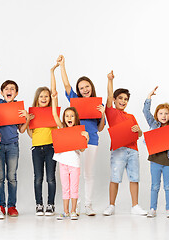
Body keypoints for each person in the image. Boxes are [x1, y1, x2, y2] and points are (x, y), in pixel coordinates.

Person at [0, 54, 31, 216]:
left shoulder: (18, 107)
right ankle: (1, 205)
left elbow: (22, 130)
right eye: (6, 89)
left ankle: (12, 206)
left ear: (16, 93)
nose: (9, 91)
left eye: (12, 89)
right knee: (0, 177)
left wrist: (27, 118)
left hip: (13, 145)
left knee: (12, 177)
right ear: (2, 92)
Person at [58, 55, 106, 216]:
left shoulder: (98, 104)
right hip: (74, 141)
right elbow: (66, 84)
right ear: (78, 91)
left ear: (91, 87)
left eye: (87, 87)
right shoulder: (75, 100)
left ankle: (88, 205)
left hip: (91, 140)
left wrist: (103, 113)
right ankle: (75, 206)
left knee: (88, 174)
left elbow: (100, 128)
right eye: (81, 88)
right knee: (74, 174)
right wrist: (62, 66)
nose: (85, 89)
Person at [103, 71, 147, 216]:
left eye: (126, 99)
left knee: (134, 178)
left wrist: (139, 130)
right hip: (118, 150)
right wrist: (110, 81)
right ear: (115, 100)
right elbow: (109, 96)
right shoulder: (111, 112)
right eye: (120, 98)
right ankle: (111, 205)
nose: (123, 101)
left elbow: (139, 134)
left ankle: (135, 205)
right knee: (115, 178)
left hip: (133, 150)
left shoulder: (131, 116)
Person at [143, 86, 169, 218]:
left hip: (168, 161)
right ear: (157, 115)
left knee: (168, 186)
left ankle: (168, 209)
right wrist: (149, 97)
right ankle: (152, 209)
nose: (163, 116)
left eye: (166, 113)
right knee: (154, 186)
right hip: (155, 161)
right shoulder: (154, 124)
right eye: (161, 113)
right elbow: (145, 111)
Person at [25, 63, 58, 216]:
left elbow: (54, 93)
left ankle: (50, 204)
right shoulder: (33, 113)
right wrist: (27, 120)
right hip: (37, 148)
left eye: (46, 96)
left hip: (51, 147)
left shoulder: (53, 112)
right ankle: (39, 204)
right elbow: (31, 134)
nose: (44, 98)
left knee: (50, 177)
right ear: (37, 99)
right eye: (41, 96)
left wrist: (52, 72)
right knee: (38, 178)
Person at [51, 91, 89, 220]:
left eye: (72, 116)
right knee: (65, 188)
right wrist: (54, 99)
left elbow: (82, 150)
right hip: (63, 164)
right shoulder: (62, 128)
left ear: (75, 118)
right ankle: (65, 211)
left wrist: (86, 138)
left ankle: (73, 211)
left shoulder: (80, 131)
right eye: (67, 116)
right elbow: (55, 114)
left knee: (74, 188)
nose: (69, 118)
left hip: (74, 164)